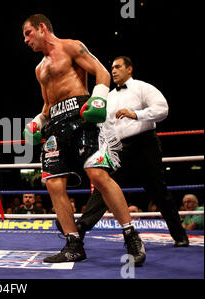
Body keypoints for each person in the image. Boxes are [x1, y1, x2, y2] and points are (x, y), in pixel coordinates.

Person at [22, 14, 145, 265]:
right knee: (54, 184)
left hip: (81, 116)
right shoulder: (39, 69)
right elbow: (47, 105)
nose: (26, 40)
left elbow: (101, 73)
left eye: (28, 33)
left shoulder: (71, 46)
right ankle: (73, 243)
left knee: (98, 174)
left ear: (42, 27)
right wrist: (37, 122)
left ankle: (131, 234)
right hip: (55, 124)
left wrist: (98, 98)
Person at [74, 56, 190, 247]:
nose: (114, 71)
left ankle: (179, 236)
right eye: (112, 67)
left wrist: (136, 114)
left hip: (145, 144)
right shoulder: (109, 97)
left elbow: (162, 109)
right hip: (119, 148)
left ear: (130, 69)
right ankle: (81, 228)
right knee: (104, 187)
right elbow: (106, 125)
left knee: (158, 191)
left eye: (118, 67)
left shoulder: (143, 88)